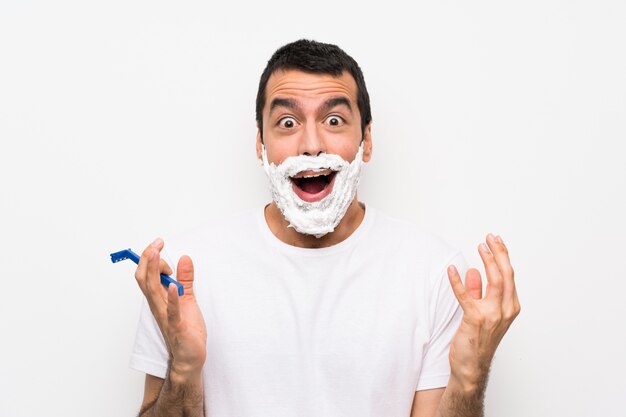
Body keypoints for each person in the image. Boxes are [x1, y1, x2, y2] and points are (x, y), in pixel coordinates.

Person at [130, 39, 521, 417]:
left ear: (366, 141)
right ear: (260, 145)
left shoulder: (435, 273)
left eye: (334, 120)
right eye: (287, 122)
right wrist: (183, 373)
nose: (312, 145)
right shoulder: (186, 277)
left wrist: (469, 378)